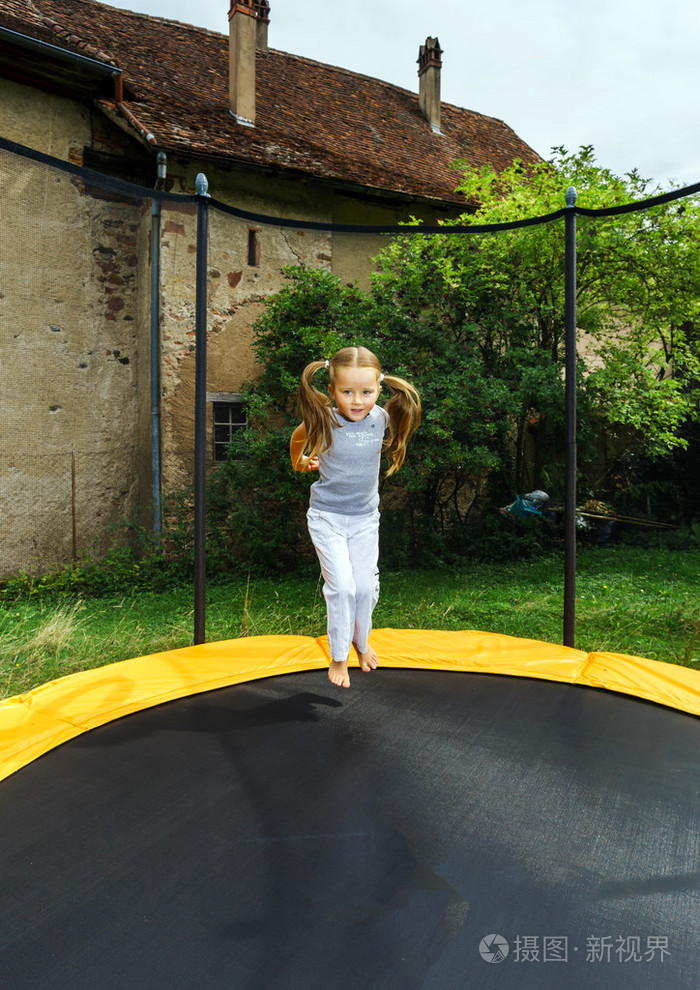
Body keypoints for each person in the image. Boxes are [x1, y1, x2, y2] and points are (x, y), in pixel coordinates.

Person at [290, 346, 421, 688]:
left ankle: (362, 644)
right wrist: (300, 462)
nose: (357, 400)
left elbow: (395, 428)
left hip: (365, 519)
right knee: (343, 587)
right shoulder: (325, 419)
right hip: (327, 518)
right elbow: (296, 439)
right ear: (332, 391)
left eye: (366, 392)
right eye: (347, 392)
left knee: (365, 588)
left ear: (379, 387)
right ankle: (338, 656)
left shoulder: (381, 418)